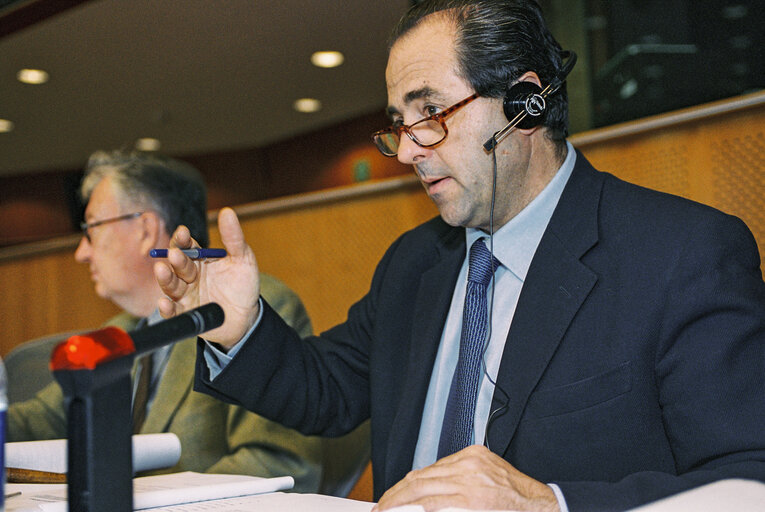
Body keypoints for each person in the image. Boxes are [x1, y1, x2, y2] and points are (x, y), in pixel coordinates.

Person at [154, 1, 765, 511]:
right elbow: (328, 392)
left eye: (431, 112)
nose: (410, 150)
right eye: (400, 122)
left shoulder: (683, 253)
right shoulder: (413, 264)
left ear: (526, 104)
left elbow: (749, 478)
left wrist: (550, 503)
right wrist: (239, 329)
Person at [8, 149, 324, 492]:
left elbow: (279, 463)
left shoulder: (249, 309)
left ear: (145, 229)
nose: (81, 252)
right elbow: (42, 420)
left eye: (91, 229)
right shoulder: (118, 332)